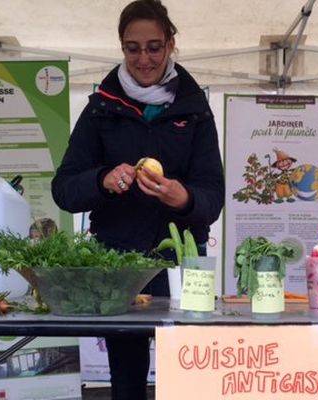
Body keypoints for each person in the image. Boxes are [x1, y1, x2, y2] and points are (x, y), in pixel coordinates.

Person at [51, 0, 225, 398]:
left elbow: (213, 195)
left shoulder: (195, 110)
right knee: (126, 380)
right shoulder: (100, 109)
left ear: (171, 45)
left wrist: (185, 198)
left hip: (184, 263)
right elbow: (64, 189)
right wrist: (102, 180)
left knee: (188, 378)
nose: (144, 58)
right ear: (122, 47)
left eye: (154, 47)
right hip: (117, 263)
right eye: (133, 48)